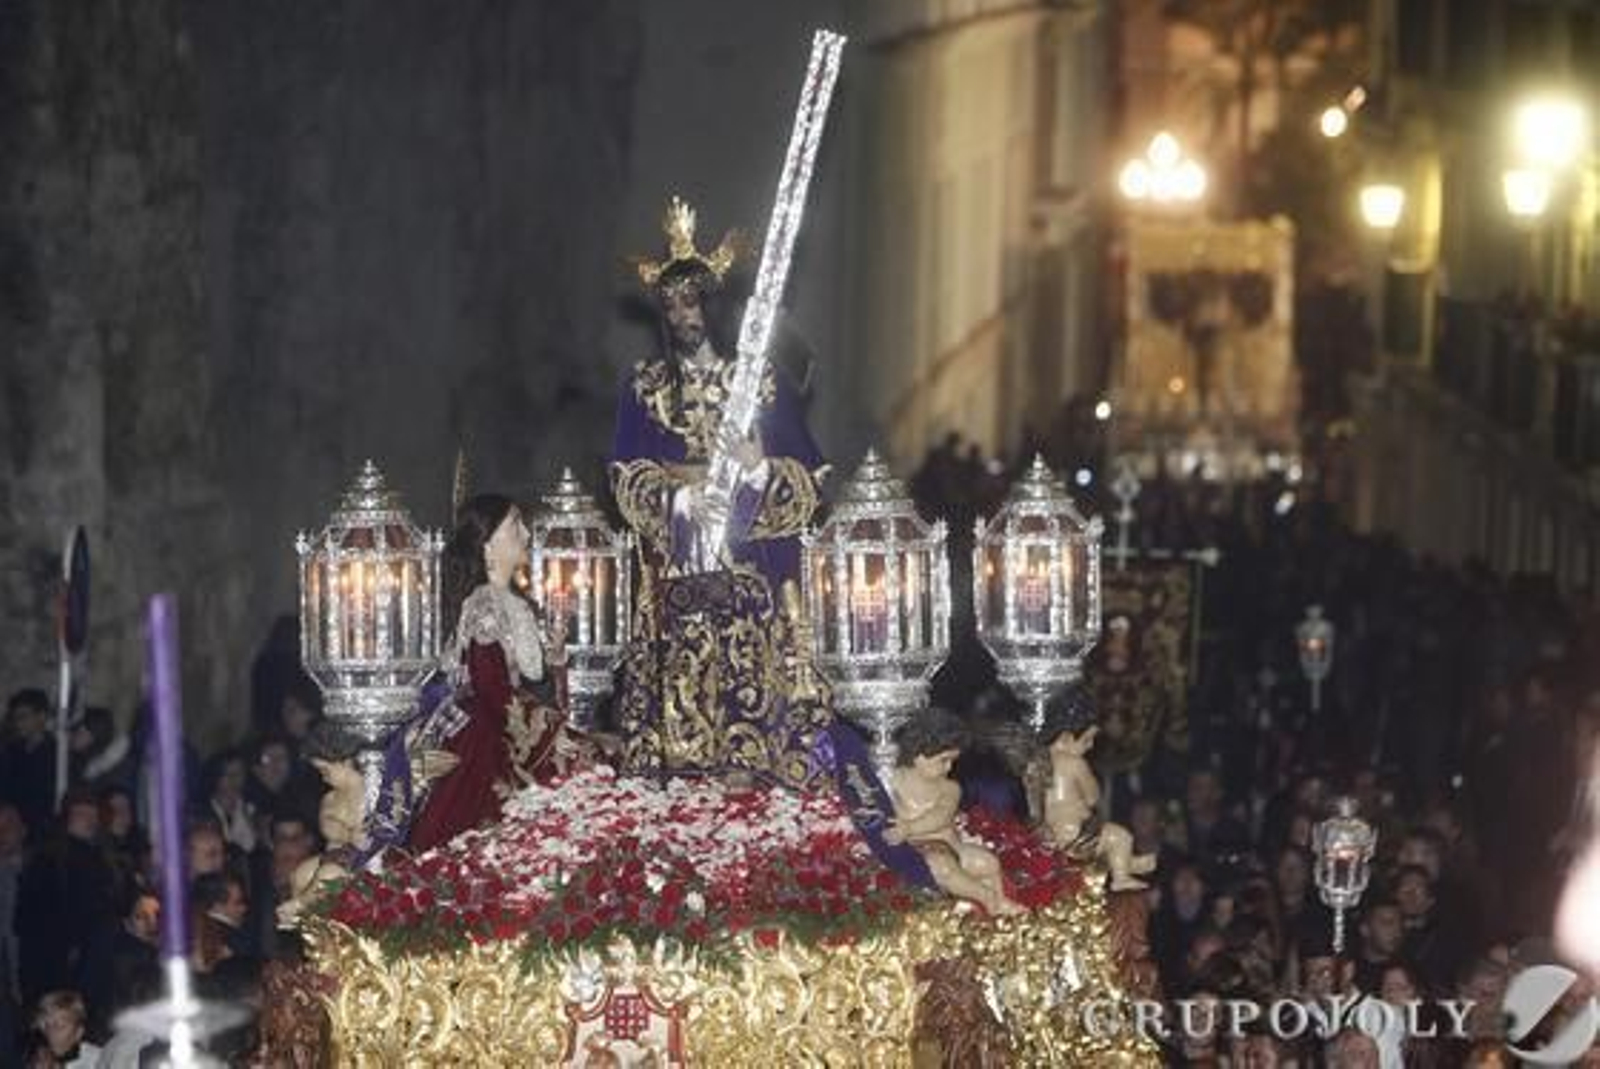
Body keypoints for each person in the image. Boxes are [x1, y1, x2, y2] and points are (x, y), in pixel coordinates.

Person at [610, 196, 830, 789]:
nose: (683, 315)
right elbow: (626, 472)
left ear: (712, 305)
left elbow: (808, 476)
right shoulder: (646, 386)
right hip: (679, 562)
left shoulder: (758, 381)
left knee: (753, 677)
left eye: (692, 302)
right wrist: (680, 503)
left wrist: (759, 470)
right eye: (671, 304)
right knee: (681, 684)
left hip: (751, 562)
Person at [406, 494, 590, 853]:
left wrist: (555, 662)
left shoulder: (517, 604)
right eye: (514, 525)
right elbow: (492, 688)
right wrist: (550, 734)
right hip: (491, 738)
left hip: (516, 731)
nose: (525, 533)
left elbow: (532, 687)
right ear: (488, 543)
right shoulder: (484, 604)